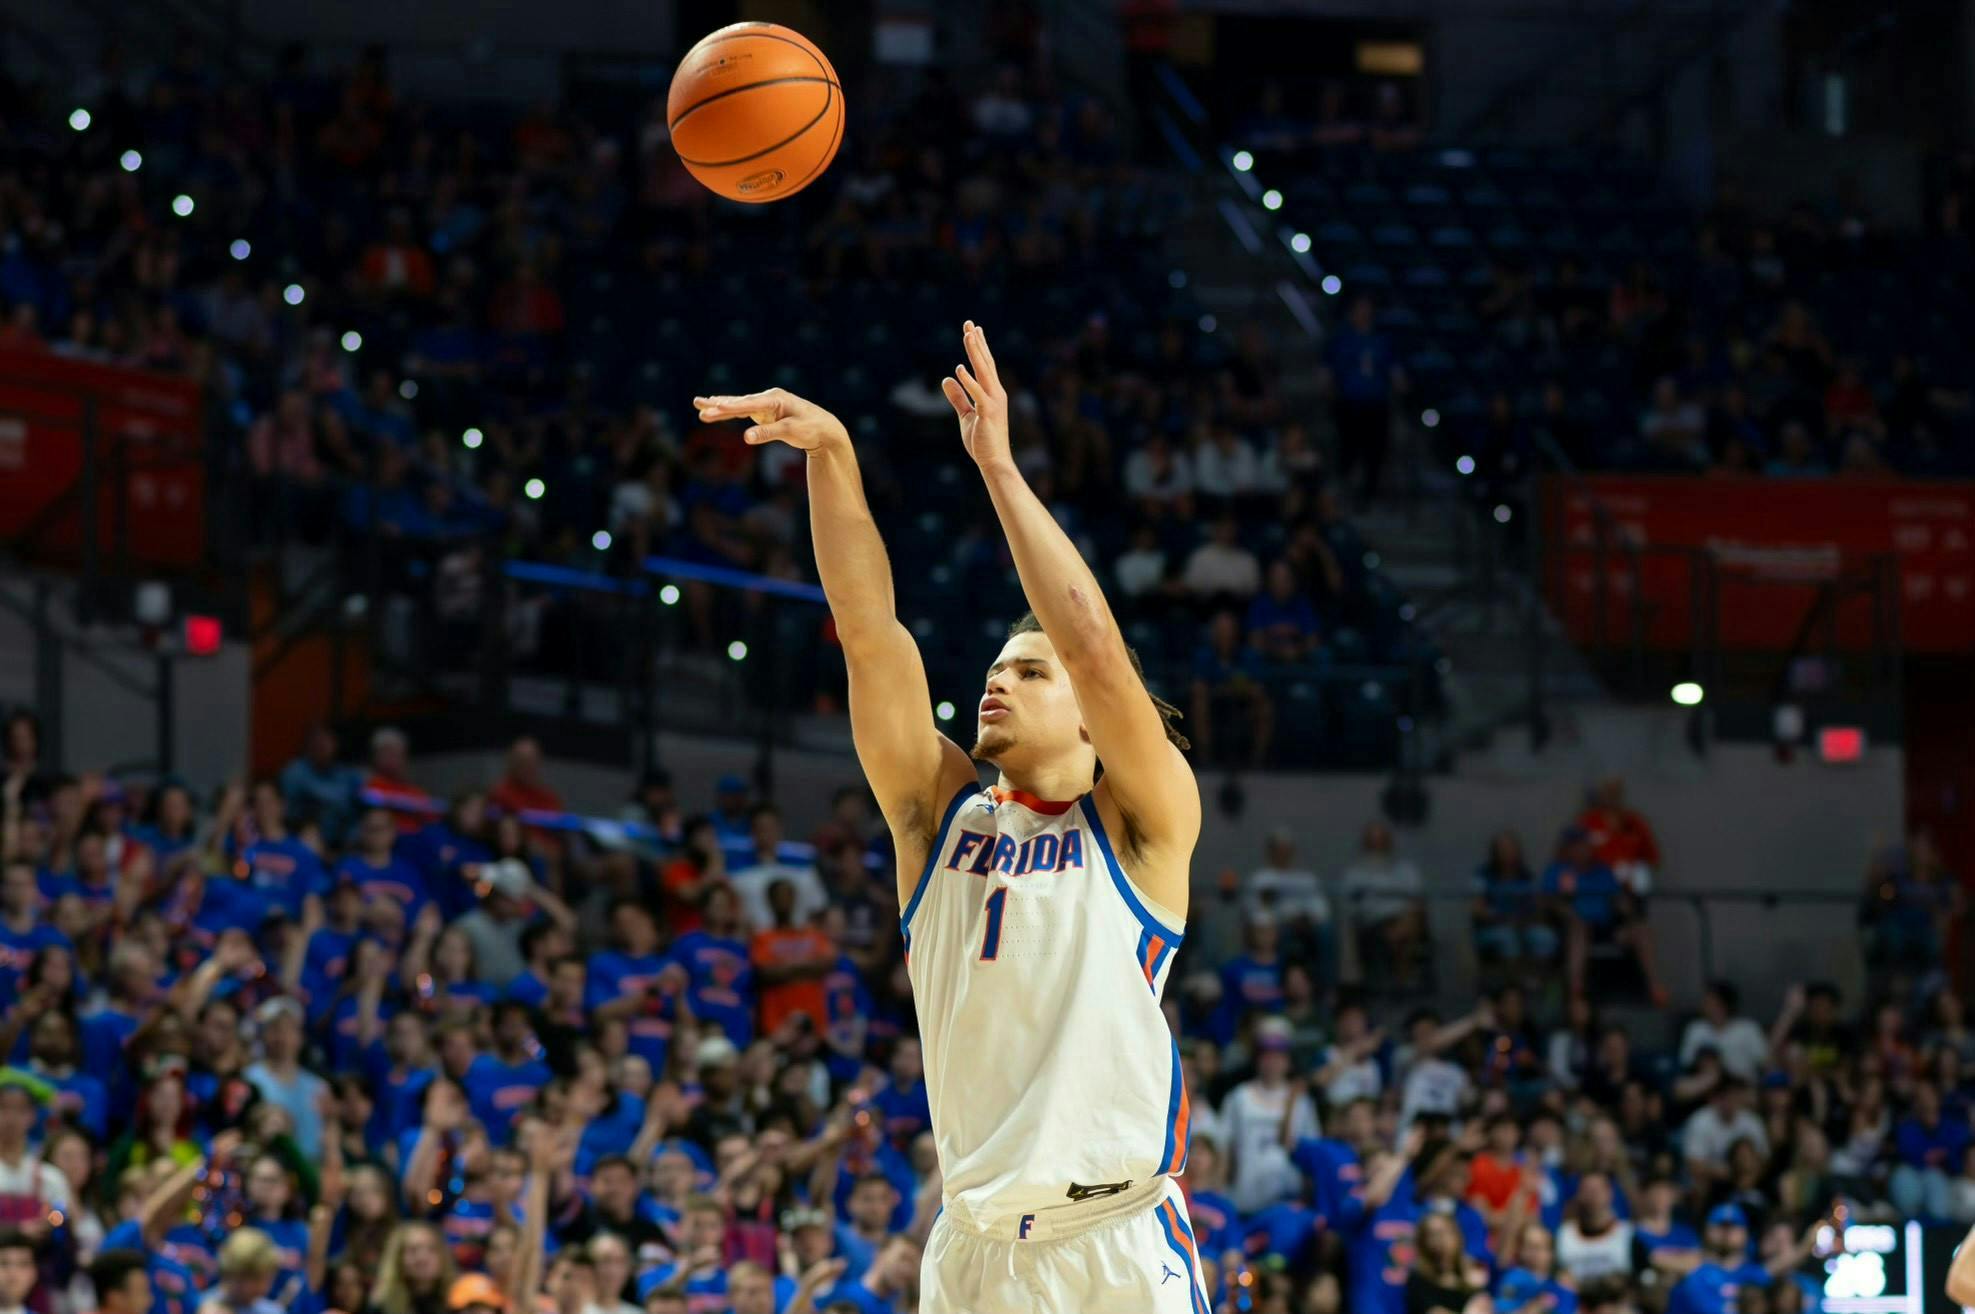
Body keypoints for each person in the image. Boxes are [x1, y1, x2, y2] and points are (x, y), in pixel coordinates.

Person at [693, 320, 1208, 1314]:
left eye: (1026, 670)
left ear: (1094, 724)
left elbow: (1094, 646)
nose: (997, 684)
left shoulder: (1144, 824)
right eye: (991, 672)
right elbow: (870, 636)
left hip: (1114, 1243)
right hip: (971, 1250)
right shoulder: (939, 817)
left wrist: (999, 470)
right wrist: (834, 457)